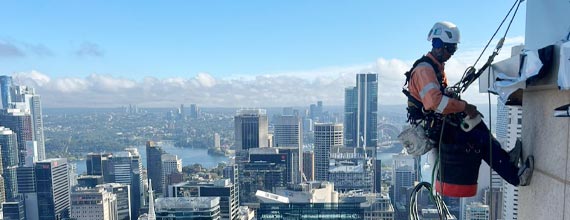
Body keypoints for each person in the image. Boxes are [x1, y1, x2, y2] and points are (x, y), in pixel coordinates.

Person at [403, 21, 534, 194]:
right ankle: (516, 177)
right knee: (477, 138)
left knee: (477, 123)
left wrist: (459, 104)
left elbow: (438, 99)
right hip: (432, 128)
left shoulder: (436, 68)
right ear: (438, 45)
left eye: (453, 50)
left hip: (437, 123)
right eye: (450, 49)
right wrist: (464, 106)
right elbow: (434, 102)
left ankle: (505, 159)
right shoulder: (425, 70)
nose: (450, 55)